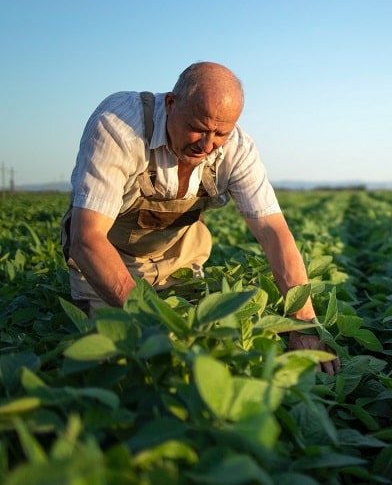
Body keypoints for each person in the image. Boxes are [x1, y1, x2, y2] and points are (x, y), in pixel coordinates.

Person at [60, 61, 339, 375]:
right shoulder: (119, 126)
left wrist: (301, 324)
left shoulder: (238, 149)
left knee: (213, 357)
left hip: (179, 261)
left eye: (220, 133)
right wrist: (156, 324)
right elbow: (86, 240)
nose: (207, 145)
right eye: (199, 127)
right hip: (107, 264)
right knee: (121, 364)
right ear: (171, 104)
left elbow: (273, 233)